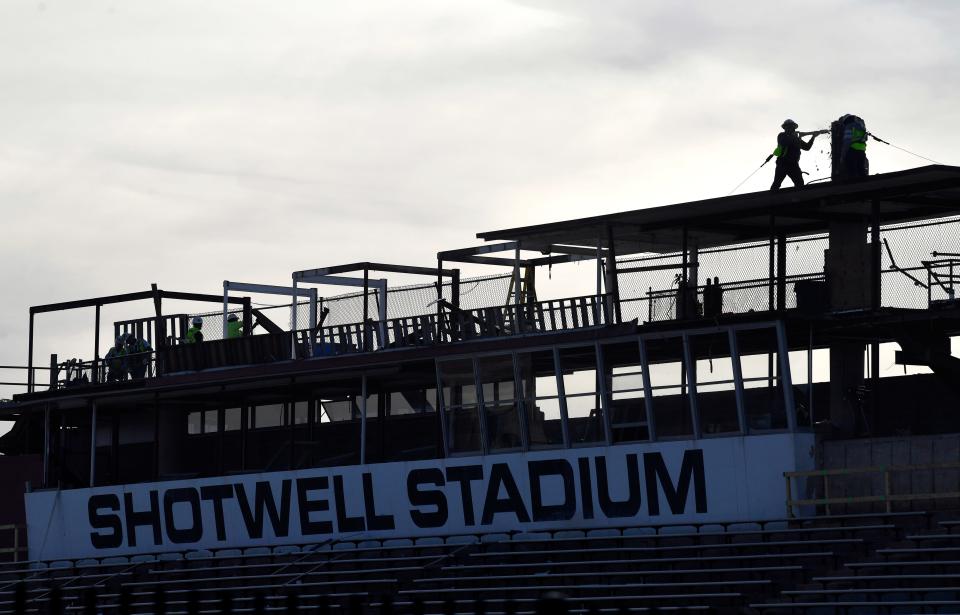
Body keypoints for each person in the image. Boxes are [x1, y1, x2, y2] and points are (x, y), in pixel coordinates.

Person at [770, 119, 820, 191]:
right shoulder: (781, 135)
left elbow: (807, 147)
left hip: (793, 164)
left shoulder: (796, 138)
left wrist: (813, 137)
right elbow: (785, 143)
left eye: (792, 127)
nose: (791, 128)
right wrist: (796, 137)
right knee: (776, 184)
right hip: (782, 163)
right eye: (789, 127)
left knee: (800, 184)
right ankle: (771, 199)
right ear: (785, 128)